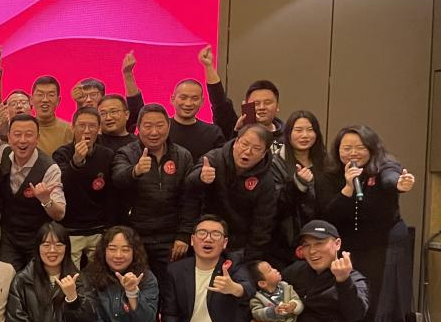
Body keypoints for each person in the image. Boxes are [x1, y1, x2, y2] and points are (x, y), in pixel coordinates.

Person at [320, 125, 417, 322]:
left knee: (376, 297)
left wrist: (401, 184)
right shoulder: (331, 175)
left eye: (359, 147)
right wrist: (347, 188)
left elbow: (391, 179)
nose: (353, 153)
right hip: (349, 244)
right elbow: (329, 215)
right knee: (350, 294)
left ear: (371, 148)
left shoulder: (384, 166)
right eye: (347, 148)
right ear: (338, 151)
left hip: (382, 243)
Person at [111, 104, 195, 281]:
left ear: (169, 126)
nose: (154, 132)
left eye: (160, 125)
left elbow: (190, 199)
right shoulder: (126, 153)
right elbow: (118, 178)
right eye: (148, 126)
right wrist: (135, 171)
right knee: (137, 287)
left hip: (170, 239)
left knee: (172, 288)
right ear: (138, 128)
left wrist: (184, 235)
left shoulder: (183, 156)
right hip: (135, 237)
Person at [186, 125, 281, 265]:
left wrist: (251, 260)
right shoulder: (214, 158)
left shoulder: (266, 181)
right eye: (244, 144)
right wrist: (200, 177)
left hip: (239, 245)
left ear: (264, 153)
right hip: (207, 235)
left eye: (256, 148)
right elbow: (189, 185)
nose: (248, 151)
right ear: (236, 142)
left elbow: (262, 225)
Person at [0, 113, 65, 271]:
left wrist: (46, 200)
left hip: (37, 237)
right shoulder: (3, 155)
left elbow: (60, 214)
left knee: (35, 280)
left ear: (37, 137)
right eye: (17, 134)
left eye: (28, 135)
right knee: (7, 276)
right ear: (9, 137)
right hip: (9, 236)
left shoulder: (49, 168)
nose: (22, 140)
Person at [52, 106, 114, 269]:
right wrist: (76, 162)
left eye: (92, 126)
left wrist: (108, 227)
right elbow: (60, 184)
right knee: (70, 276)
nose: (87, 130)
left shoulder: (107, 155)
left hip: (98, 230)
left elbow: (111, 194)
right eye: (82, 125)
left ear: (99, 129)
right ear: (72, 127)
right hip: (70, 230)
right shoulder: (61, 154)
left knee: (98, 275)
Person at [273, 110, 328, 266]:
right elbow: (275, 204)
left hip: (323, 236)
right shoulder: (276, 163)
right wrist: (297, 184)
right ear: (288, 133)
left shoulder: (327, 162)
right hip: (287, 242)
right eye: (298, 130)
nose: (305, 135)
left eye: (310, 130)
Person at [31, 76, 72, 154]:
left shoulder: (69, 130)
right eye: (40, 94)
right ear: (31, 100)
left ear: (58, 101)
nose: (45, 100)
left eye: (51, 95)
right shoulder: (23, 128)